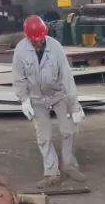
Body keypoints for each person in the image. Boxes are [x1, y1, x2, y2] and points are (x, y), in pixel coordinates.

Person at [12, 15, 85, 189]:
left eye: (40, 39)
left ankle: (70, 166)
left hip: (58, 95)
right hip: (36, 98)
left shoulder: (55, 47)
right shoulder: (20, 50)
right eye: (34, 40)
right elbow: (18, 77)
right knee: (44, 137)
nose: (38, 42)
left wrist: (74, 105)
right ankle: (52, 173)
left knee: (69, 131)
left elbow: (66, 77)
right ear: (27, 36)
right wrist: (24, 99)